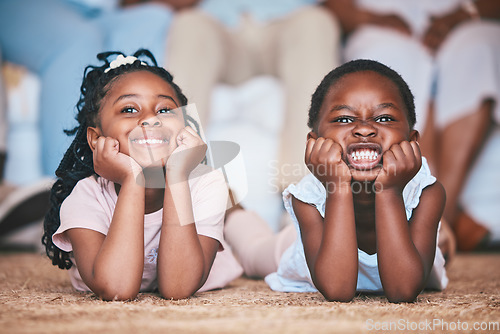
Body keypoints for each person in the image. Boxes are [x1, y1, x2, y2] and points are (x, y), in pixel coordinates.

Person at [225, 59, 448, 303]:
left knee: (440, 245)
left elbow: (403, 290)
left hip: (411, 254)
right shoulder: (309, 196)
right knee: (253, 251)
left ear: (412, 140)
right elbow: (338, 290)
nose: (364, 129)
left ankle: (446, 238)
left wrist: (389, 190)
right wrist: (337, 186)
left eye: (384, 118)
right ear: (314, 141)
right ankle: (232, 211)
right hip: (315, 250)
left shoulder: (426, 191)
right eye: (343, 119)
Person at [42, 50, 243, 301]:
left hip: (218, 247)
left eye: (165, 110)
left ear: (186, 128)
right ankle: (233, 213)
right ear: (96, 139)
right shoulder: (86, 196)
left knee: (259, 251)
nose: (150, 119)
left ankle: (237, 214)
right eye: (129, 109)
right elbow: (117, 288)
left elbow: (178, 288)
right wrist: (132, 178)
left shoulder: (208, 183)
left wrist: (178, 173)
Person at [324, 0, 500, 254]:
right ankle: (434, 218)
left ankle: (441, 216)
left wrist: (468, 13)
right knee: (386, 61)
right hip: (380, 24)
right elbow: (331, 6)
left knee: (480, 49)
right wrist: (369, 17)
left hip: (466, 19)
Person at [167, 0, 342, 187]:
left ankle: (306, 193)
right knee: (188, 23)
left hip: (292, 20)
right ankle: (173, 181)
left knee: (316, 22)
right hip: (220, 24)